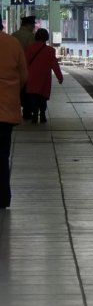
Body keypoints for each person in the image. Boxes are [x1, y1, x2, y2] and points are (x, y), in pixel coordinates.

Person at [0, 19, 29, 209]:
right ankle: (3, 198)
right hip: (6, 110)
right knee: (2, 156)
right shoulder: (12, 43)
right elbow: (24, 75)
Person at [25, 28, 63, 124]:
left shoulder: (29, 48)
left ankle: (34, 114)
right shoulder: (50, 50)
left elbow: (24, 63)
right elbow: (55, 65)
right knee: (42, 97)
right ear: (46, 37)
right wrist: (59, 77)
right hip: (44, 79)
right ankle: (42, 114)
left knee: (33, 97)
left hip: (31, 78)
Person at [12, 16, 37, 119]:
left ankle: (15, 110)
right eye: (33, 25)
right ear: (28, 25)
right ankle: (27, 112)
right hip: (26, 66)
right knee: (26, 91)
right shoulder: (31, 36)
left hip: (13, 67)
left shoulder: (13, 35)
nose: (34, 27)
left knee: (15, 90)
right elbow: (32, 52)